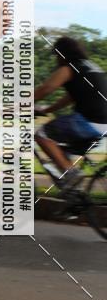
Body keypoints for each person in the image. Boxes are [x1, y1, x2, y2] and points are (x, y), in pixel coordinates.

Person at [34, 36, 107, 187]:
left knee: (41, 135)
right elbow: (70, 97)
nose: (56, 59)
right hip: (103, 124)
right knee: (60, 151)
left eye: (56, 55)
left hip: (88, 121)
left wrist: (15, 105)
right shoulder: (89, 66)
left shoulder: (68, 68)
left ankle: (71, 174)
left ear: (61, 54)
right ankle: (75, 196)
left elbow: (46, 88)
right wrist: (47, 110)